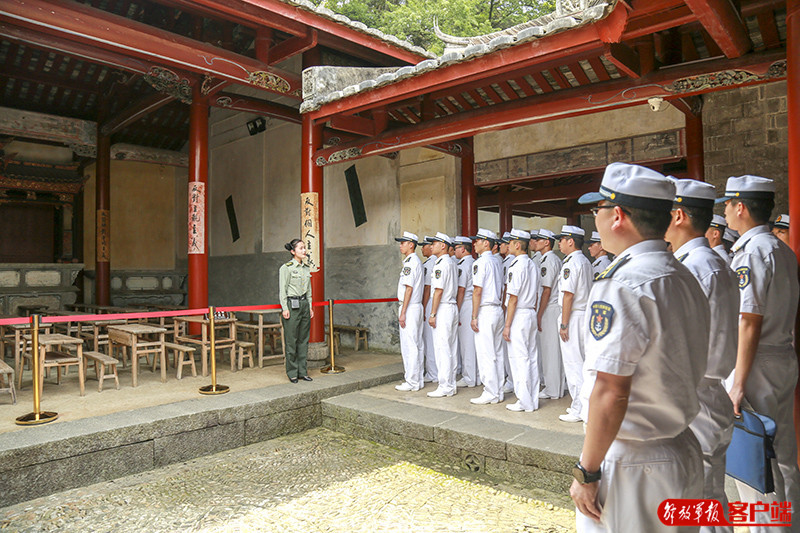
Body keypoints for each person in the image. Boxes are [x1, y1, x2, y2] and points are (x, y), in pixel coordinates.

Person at [572, 162, 709, 533]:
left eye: (597, 209)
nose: (595, 219)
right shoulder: (683, 275)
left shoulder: (623, 283)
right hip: (681, 448)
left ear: (617, 215)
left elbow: (611, 389)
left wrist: (587, 470)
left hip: (636, 460)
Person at [721, 176, 800, 530]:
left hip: (756, 363)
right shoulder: (781, 248)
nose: (723, 211)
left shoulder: (751, 252)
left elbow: (749, 320)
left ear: (740, 207)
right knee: (782, 458)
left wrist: (738, 382)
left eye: (727, 204)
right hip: (782, 355)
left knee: (755, 466)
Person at [666, 179, 739, 533]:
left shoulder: (693, 267)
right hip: (708, 393)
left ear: (678, 215)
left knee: (697, 504)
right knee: (709, 500)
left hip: (697, 396)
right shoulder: (710, 260)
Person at [555, 225, 593, 423]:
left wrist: (564, 324)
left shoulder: (571, 263)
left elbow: (568, 295)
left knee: (573, 364)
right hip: (582, 315)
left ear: (571, 241)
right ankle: (583, 406)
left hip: (574, 316)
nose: (559, 243)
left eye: (561, 239)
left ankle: (579, 408)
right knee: (582, 363)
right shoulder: (584, 261)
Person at [502, 229, 540, 412]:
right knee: (531, 358)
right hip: (530, 312)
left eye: (510, 242)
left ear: (517, 245)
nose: (508, 245)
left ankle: (524, 401)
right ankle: (531, 400)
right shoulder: (531, 264)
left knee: (519, 359)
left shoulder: (517, 265)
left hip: (519, 315)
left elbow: (513, 298)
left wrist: (507, 325)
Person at [469, 228, 506, 405]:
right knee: (497, 353)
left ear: (486, 243)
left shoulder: (480, 263)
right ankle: (497, 391)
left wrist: (474, 315)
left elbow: (477, 291)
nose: (474, 243)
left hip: (486, 310)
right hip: (497, 309)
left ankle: (490, 391)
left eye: (477, 240)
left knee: (486, 353)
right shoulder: (496, 261)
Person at [533, 228, 565, 400]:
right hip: (551, 308)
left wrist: (539, 314)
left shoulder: (548, 260)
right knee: (552, 350)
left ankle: (552, 389)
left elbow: (546, 290)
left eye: (539, 240)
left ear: (546, 242)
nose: (535, 242)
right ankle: (556, 387)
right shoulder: (550, 259)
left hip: (549, 308)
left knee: (549, 350)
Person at [427, 232, 460, 398]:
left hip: (444, 308)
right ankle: (450, 384)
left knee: (442, 349)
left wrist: (432, 313)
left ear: (443, 245)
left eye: (434, 243)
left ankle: (445, 385)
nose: (431, 246)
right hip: (451, 306)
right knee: (451, 349)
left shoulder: (441, 264)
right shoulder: (451, 262)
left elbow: (438, 291)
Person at [279, 238, 315, 383]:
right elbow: (282, 290)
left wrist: (310, 306)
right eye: (301, 248)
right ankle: (292, 372)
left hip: (304, 304)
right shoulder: (286, 268)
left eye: (304, 248)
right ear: (293, 251)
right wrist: (284, 308)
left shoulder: (306, 268)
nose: (304, 250)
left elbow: (309, 291)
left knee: (303, 340)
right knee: (291, 340)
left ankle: (303, 371)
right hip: (291, 304)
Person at [395, 231, 425, 392]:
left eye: (403, 243)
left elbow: (409, 289)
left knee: (410, 345)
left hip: (410, 306)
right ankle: (417, 379)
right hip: (415, 306)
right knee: (417, 345)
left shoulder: (410, 263)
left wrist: (403, 311)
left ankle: (412, 380)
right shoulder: (415, 262)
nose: (401, 246)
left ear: (411, 245)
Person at [454, 236, 479, 388]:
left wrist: (456, 310)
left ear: (463, 249)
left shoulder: (464, 264)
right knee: (472, 342)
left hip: (466, 304)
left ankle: (469, 377)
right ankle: (476, 375)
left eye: (456, 248)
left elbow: (461, 290)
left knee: (466, 343)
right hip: (472, 304)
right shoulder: (473, 262)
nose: (455, 250)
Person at [421, 236, 438, 384]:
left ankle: (433, 373)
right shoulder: (436, 262)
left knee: (430, 340)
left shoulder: (430, 264)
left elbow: (427, 288)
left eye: (424, 246)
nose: (422, 248)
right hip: (437, 303)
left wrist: (424, 306)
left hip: (431, 302)